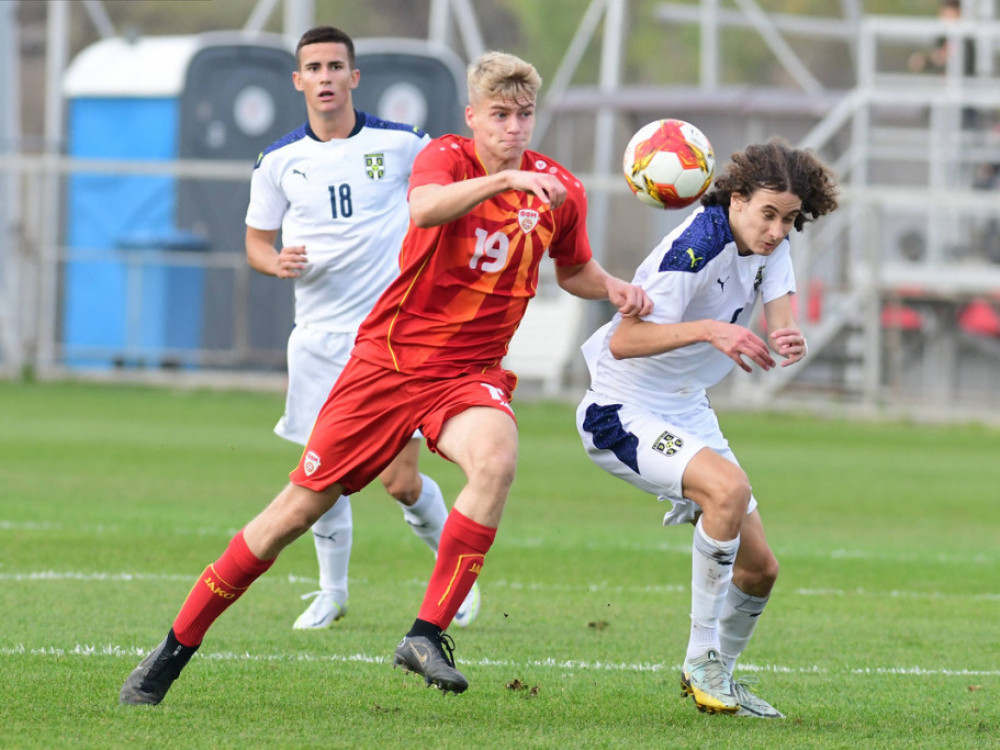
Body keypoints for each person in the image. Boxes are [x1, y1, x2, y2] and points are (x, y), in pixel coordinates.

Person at [119, 49, 651, 705]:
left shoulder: (555, 189)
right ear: (472, 118)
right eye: (500, 115)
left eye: (525, 116)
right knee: (293, 514)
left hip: (468, 374)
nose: (514, 129)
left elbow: (574, 272)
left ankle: (426, 633)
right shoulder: (448, 160)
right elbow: (426, 209)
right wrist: (502, 184)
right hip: (389, 365)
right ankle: (173, 651)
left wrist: (616, 286)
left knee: (496, 459)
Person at [576, 139, 838, 718]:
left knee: (760, 568)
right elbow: (623, 341)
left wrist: (788, 335)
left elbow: (782, 314)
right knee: (727, 489)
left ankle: (722, 676)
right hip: (621, 408)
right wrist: (710, 331)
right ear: (737, 199)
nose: (777, 230)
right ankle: (701, 662)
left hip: (685, 406)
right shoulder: (695, 248)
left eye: (789, 218)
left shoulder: (773, 244)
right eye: (768, 214)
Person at [244, 25, 478, 632]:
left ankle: (451, 576)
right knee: (317, 475)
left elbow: (447, 191)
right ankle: (332, 591)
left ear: (354, 77)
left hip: (389, 342)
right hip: (317, 339)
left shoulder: (403, 146)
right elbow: (256, 242)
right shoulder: (277, 162)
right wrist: (275, 262)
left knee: (401, 483)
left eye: (335, 66)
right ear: (298, 81)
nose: (325, 77)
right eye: (313, 68)